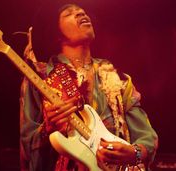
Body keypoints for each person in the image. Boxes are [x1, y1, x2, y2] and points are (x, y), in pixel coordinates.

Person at [20, 2, 158, 171]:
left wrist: (135, 152)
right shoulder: (41, 78)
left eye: (82, 12)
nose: (80, 14)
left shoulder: (119, 79)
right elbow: (27, 144)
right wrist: (47, 130)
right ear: (56, 34)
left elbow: (146, 136)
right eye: (69, 13)